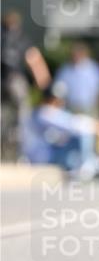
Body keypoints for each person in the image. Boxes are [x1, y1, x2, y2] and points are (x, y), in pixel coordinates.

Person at [21, 84, 99, 180]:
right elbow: (71, 124)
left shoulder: (40, 113)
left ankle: (91, 165)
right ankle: (87, 165)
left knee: (74, 144)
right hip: (44, 156)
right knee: (83, 135)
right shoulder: (44, 113)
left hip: (48, 152)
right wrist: (96, 125)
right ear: (54, 100)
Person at [1, 10, 51, 160]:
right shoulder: (22, 39)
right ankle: (23, 153)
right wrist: (46, 89)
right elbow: (35, 62)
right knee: (24, 116)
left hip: (3, 82)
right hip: (16, 82)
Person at [54, 42, 99, 116]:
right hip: (71, 109)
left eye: (78, 53)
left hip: (89, 108)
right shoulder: (64, 70)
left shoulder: (94, 68)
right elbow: (59, 90)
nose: (76, 56)